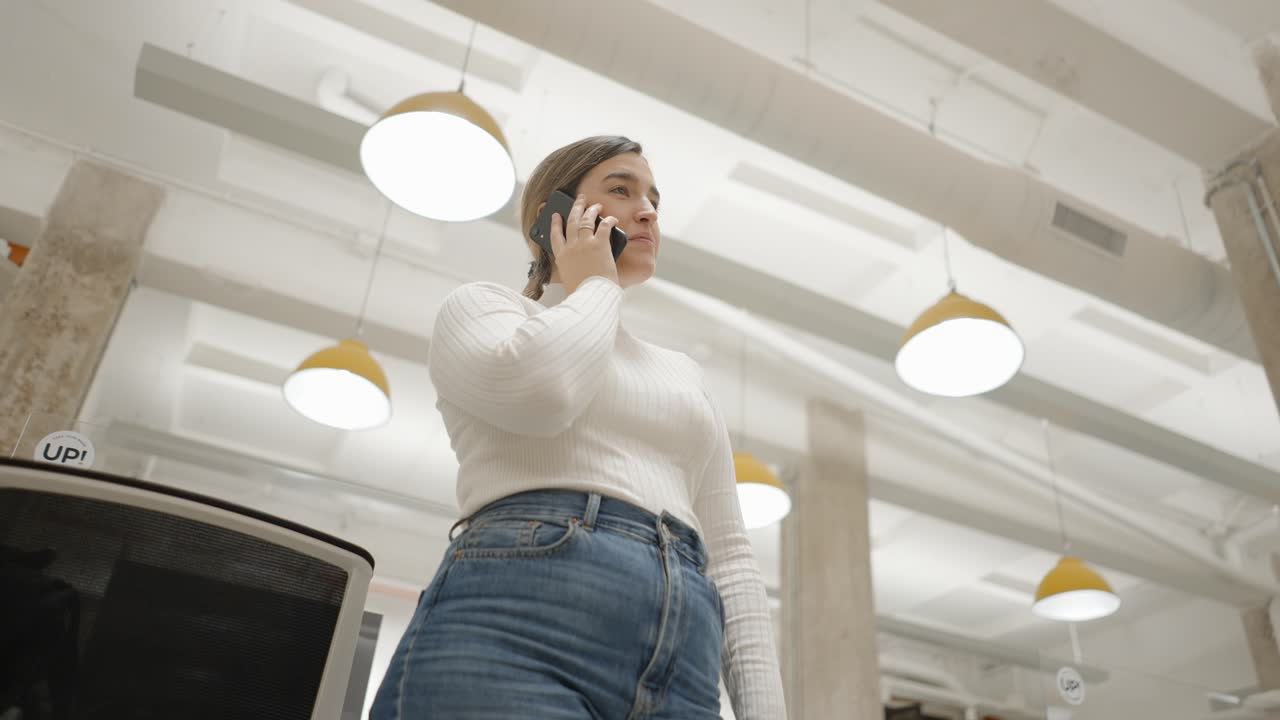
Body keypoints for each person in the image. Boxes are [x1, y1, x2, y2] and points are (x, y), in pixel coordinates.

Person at [370, 136, 786, 719]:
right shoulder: (484, 310)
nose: (648, 212)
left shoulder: (683, 373)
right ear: (555, 214)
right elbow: (546, 394)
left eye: (654, 201)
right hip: (522, 624)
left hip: (684, 657)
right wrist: (595, 285)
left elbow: (733, 558)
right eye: (622, 190)